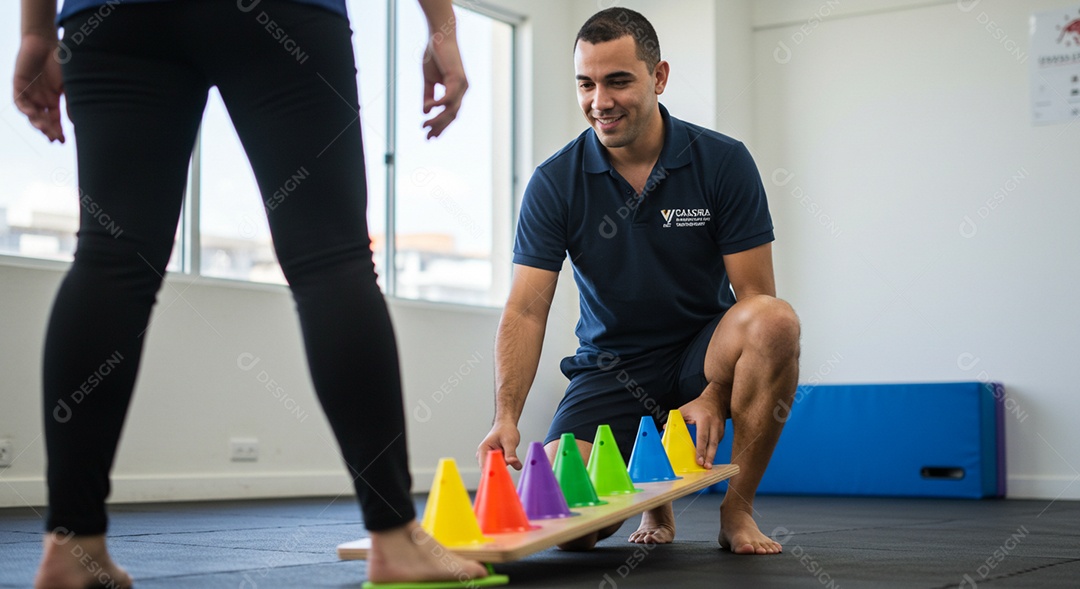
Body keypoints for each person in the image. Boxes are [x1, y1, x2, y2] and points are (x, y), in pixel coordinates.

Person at [14, 0, 489, 587]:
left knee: (110, 257)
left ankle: (71, 547)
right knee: (332, 259)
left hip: (115, 17)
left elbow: (41, 29)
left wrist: (34, 31)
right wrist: (441, 26)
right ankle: (393, 538)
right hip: (283, 15)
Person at [477, 7, 800, 555]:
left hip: (704, 351)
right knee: (573, 527)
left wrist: (713, 390)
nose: (600, 101)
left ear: (659, 76)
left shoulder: (722, 162)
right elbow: (527, 310)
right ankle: (654, 493)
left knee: (775, 321)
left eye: (618, 81)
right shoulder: (555, 182)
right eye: (587, 83)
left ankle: (737, 509)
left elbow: (753, 297)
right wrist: (505, 416)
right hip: (611, 365)